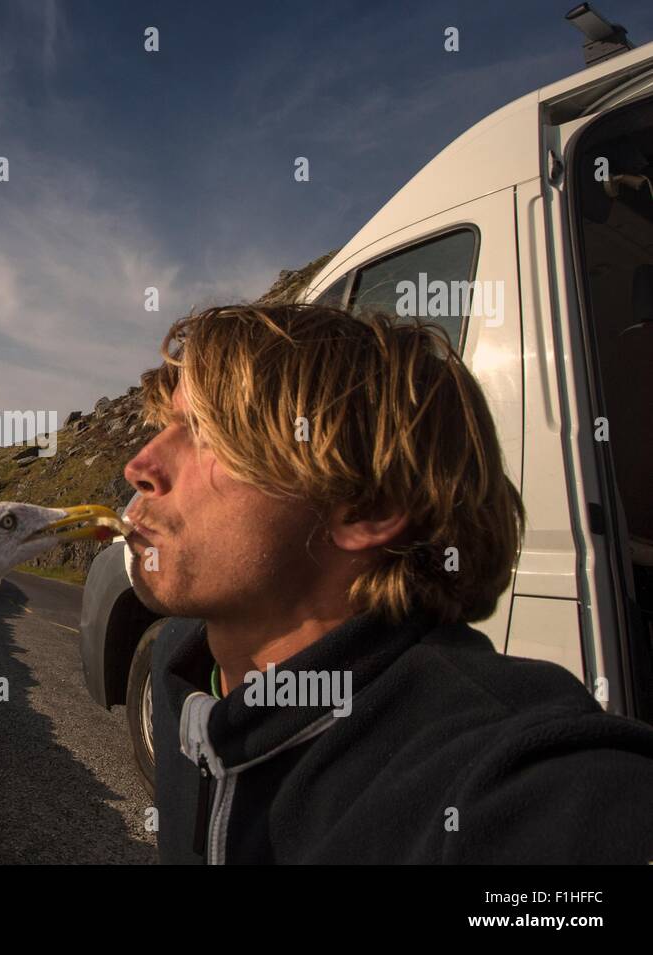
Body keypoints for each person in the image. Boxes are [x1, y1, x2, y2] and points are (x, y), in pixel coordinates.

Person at [122, 302, 653, 864]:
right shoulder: (180, 670)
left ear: (366, 508)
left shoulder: (508, 781)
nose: (140, 465)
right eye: (165, 428)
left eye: (207, 432)